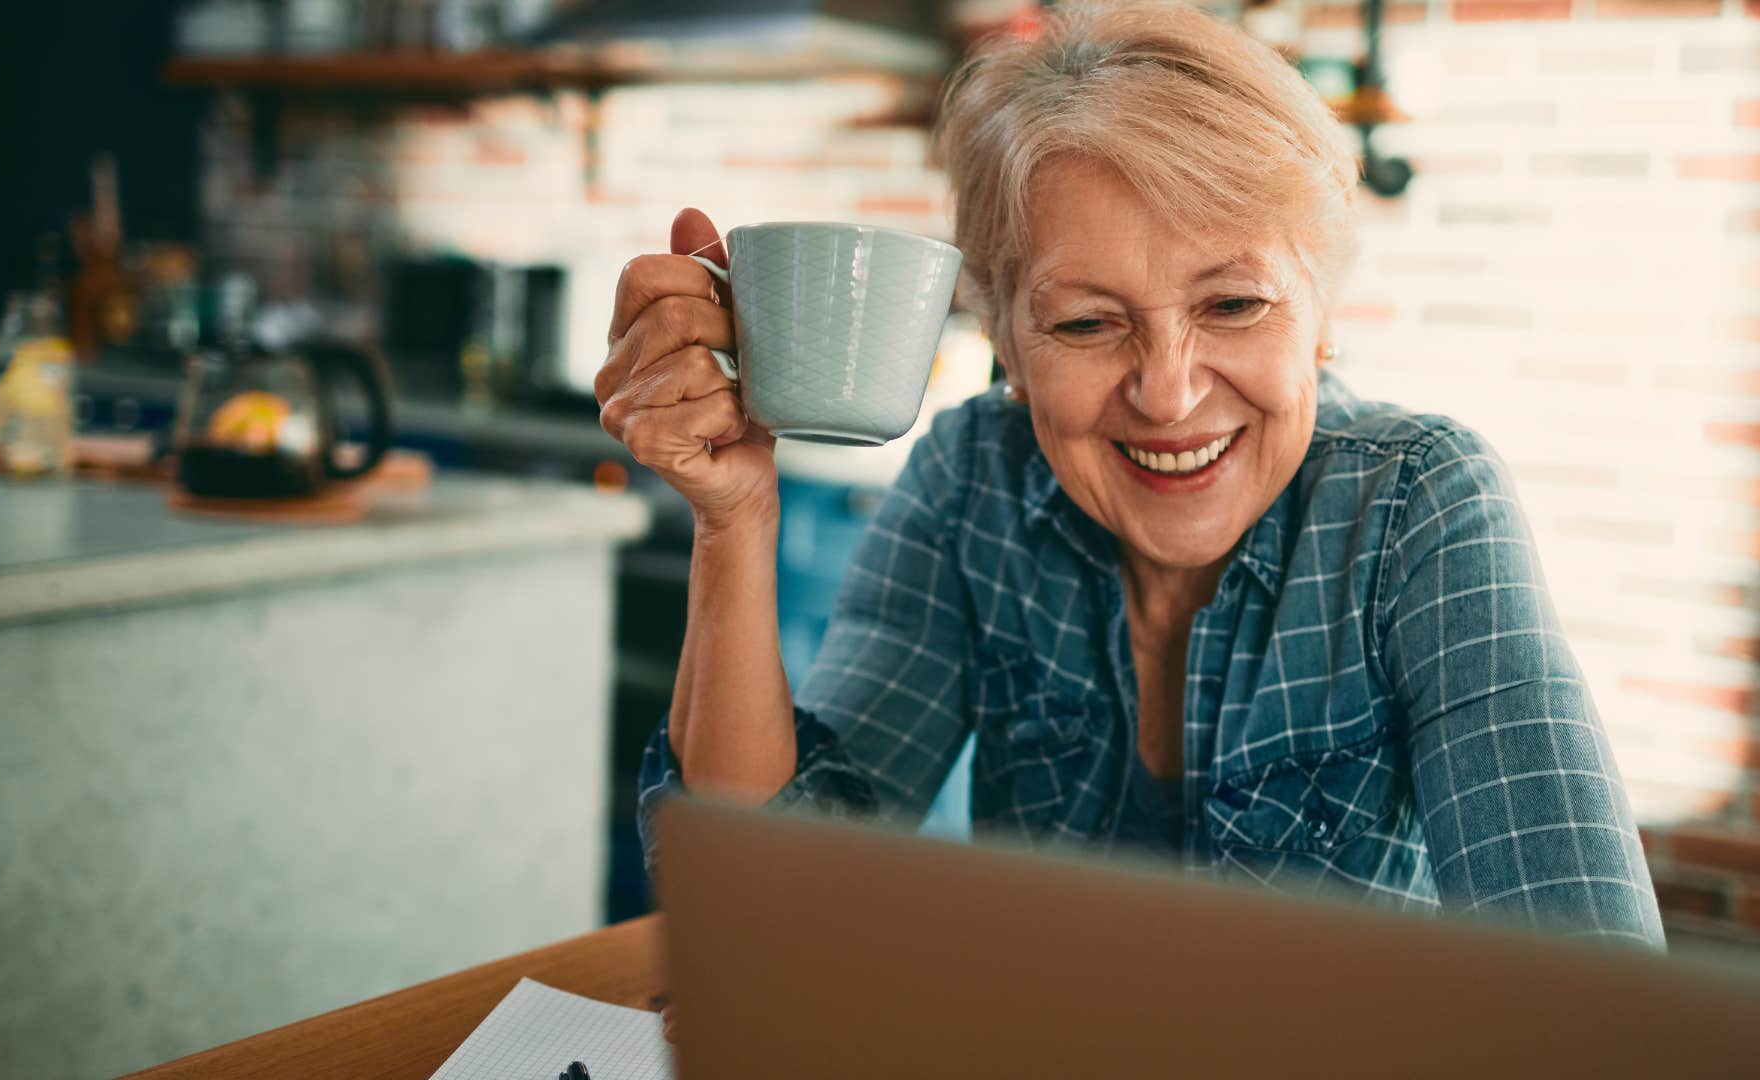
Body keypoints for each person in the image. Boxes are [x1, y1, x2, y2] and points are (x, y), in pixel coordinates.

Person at [596, 1, 1665, 951]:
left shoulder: (1417, 506)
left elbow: (1591, 989)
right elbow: (769, 902)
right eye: (1086, 322)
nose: (1165, 391)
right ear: (1006, 341)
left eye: (1234, 305)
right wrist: (734, 516)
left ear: (1323, 316)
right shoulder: (973, 479)